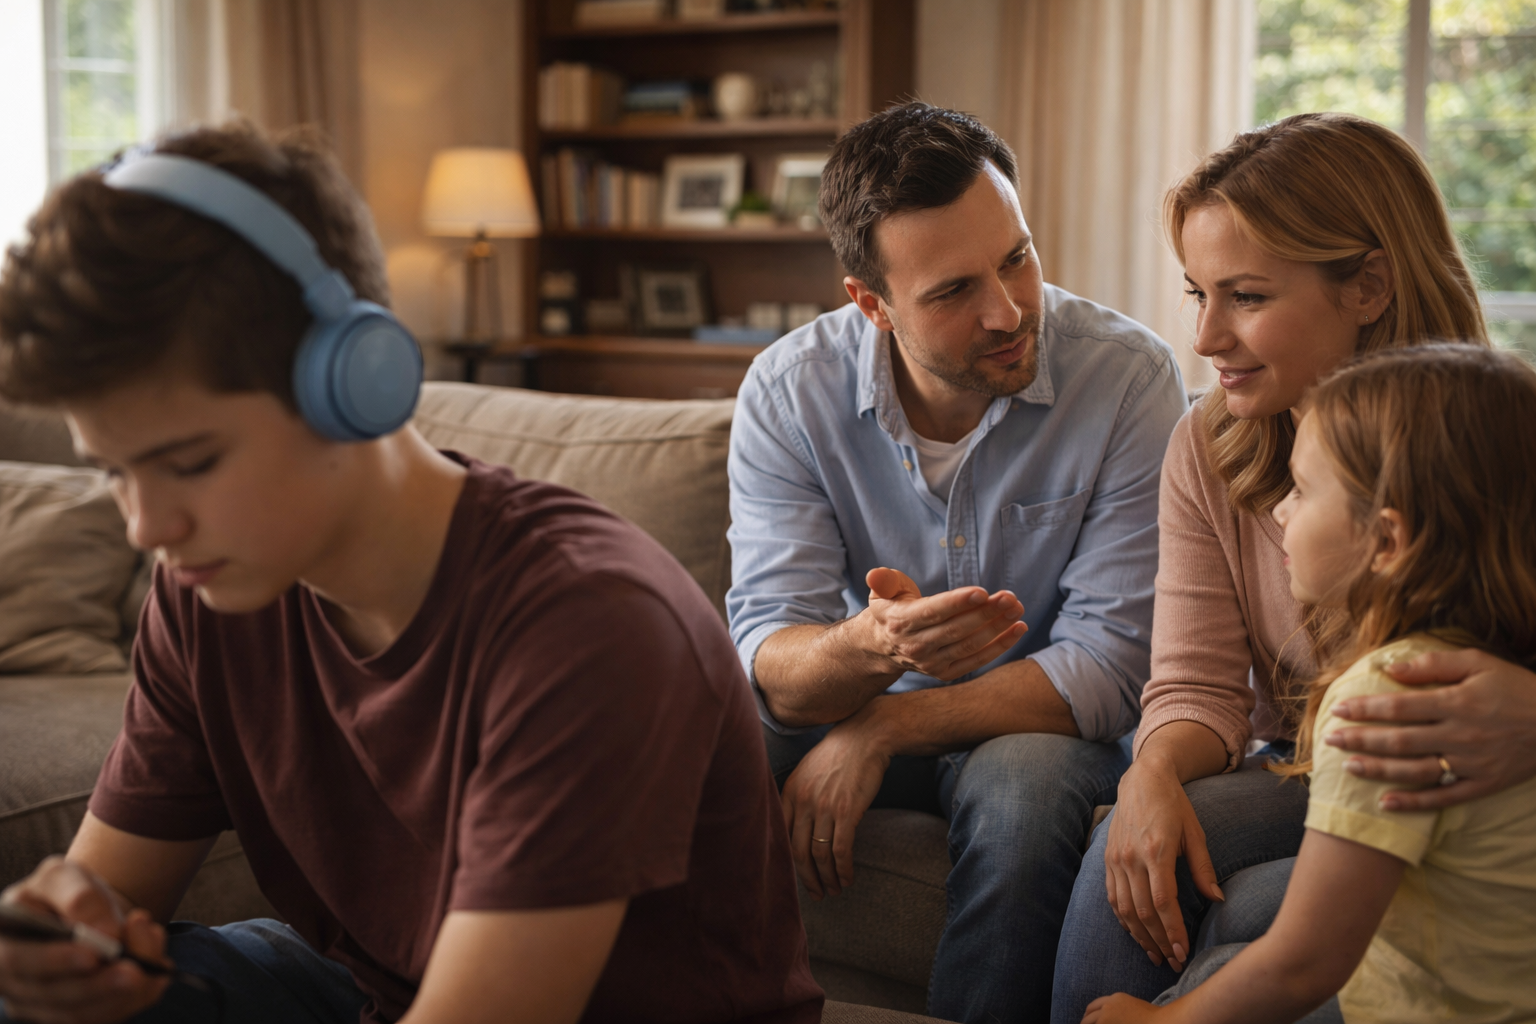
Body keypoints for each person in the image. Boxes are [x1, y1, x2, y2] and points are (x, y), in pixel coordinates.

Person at [0, 123, 822, 1024]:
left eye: (190, 462)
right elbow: (111, 904)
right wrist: (63, 946)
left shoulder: (594, 625)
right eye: (115, 470)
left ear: (356, 378)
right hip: (362, 993)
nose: (146, 526)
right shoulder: (204, 588)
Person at [1053, 111, 1536, 1020]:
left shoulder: (1503, 435)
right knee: (1138, 848)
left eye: (1247, 296)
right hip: (1318, 762)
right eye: (1198, 293)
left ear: (1369, 286)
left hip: (1487, 790)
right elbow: (1194, 682)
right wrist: (1149, 776)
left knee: (1265, 925)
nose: (1203, 339)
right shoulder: (1209, 441)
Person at [726, 102, 1187, 1022]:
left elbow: (1113, 662)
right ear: (872, 303)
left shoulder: (1129, 380)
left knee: (1026, 788)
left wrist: (887, 727)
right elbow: (768, 648)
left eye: (1016, 257)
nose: (1009, 310)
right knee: (701, 730)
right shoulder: (788, 393)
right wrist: (869, 647)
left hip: (1034, 723)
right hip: (854, 691)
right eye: (951, 291)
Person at [1083, 343, 1536, 1024]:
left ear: (1387, 542)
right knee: (1217, 967)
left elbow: (1306, 960)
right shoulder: (1490, 656)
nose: (1281, 513)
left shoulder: (1383, 699)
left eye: (1301, 490)